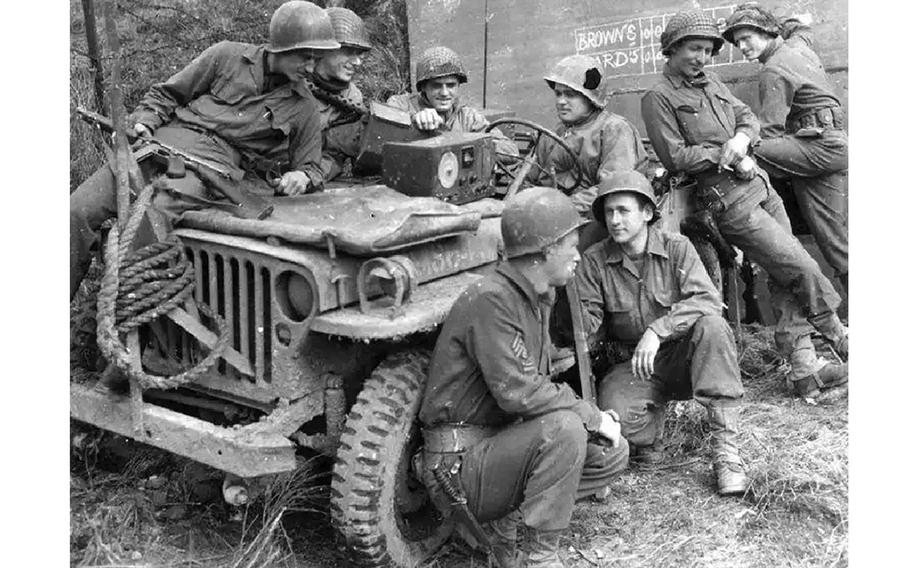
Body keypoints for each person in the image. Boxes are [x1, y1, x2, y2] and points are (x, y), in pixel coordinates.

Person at [639, 10, 848, 399]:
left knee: (783, 274)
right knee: (800, 266)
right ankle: (839, 335)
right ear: (671, 49)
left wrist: (742, 137)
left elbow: (747, 115)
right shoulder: (659, 97)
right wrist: (729, 153)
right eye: (693, 49)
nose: (702, 57)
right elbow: (676, 156)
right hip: (729, 201)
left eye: (707, 50)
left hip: (762, 189)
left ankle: (804, 369)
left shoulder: (712, 81)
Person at [418, 186, 629, 568]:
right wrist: (592, 416)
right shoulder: (493, 298)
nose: (579, 256)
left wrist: (594, 424)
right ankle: (539, 557)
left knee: (611, 452)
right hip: (458, 468)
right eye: (572, 246)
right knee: (566, 429)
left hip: (496, 448)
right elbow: (519, 393)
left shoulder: (534, 297)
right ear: (546, 250)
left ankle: (508, 524)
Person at [70, 0, 337, 300]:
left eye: (316, 60)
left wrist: (301, 176)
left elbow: (312, 166)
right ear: (281, 48)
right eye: (306, 58)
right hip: (158, 144)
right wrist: (146, 120)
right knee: (75, 212)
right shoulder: (226, 55)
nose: (312, 68)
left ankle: (120, 319)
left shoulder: (305, 108)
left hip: (208, 171)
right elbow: (166, 94)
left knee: (147, 225)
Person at [575, 171, 747, 495]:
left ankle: (727, 455)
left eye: (623, 210)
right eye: (609, 213)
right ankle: (652, 432)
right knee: (617, 425)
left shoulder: (676, 247)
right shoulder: (594, 262)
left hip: (686, 357)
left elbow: (708, 299)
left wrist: (658, 330)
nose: (614, 220)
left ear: (647, 213)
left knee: (713, 327)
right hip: (634, 368)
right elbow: (589, 327)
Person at [723, 3, 848, 294]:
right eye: (737, 41)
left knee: (748, 150)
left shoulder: (773, 70)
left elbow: (767, 132)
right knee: (834, 239)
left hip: (817, 149)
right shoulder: (798, 45)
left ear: (767, 31)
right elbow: (800, 29)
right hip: (828, 146)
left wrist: (736, 147)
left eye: (746, 38)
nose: (742, 46)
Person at [530, 54, 649, 218]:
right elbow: (530, 178)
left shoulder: (614, 130)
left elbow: (612, 187)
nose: (561, 101)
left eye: (570, 94)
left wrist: (563, 209)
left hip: (595, 218)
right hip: (549, 215)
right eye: (558, 94)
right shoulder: (552, 134)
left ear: (590, 98)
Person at [385, 46, 518, 158]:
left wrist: (470, 144)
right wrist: (413, 122)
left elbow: (511, 152)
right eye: (436, 85)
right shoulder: (401, 104)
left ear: (458, 86)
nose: (444, 93)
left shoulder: (468, 117)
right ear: (423, 87)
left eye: (450, 85)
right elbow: (382, 134)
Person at [304, 6, 371, 181]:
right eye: (348, 52)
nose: (356, 62)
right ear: (322, 49)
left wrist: (308, 178)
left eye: (359, 55)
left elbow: (333, 155)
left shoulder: (352, 97)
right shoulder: (292, 74)